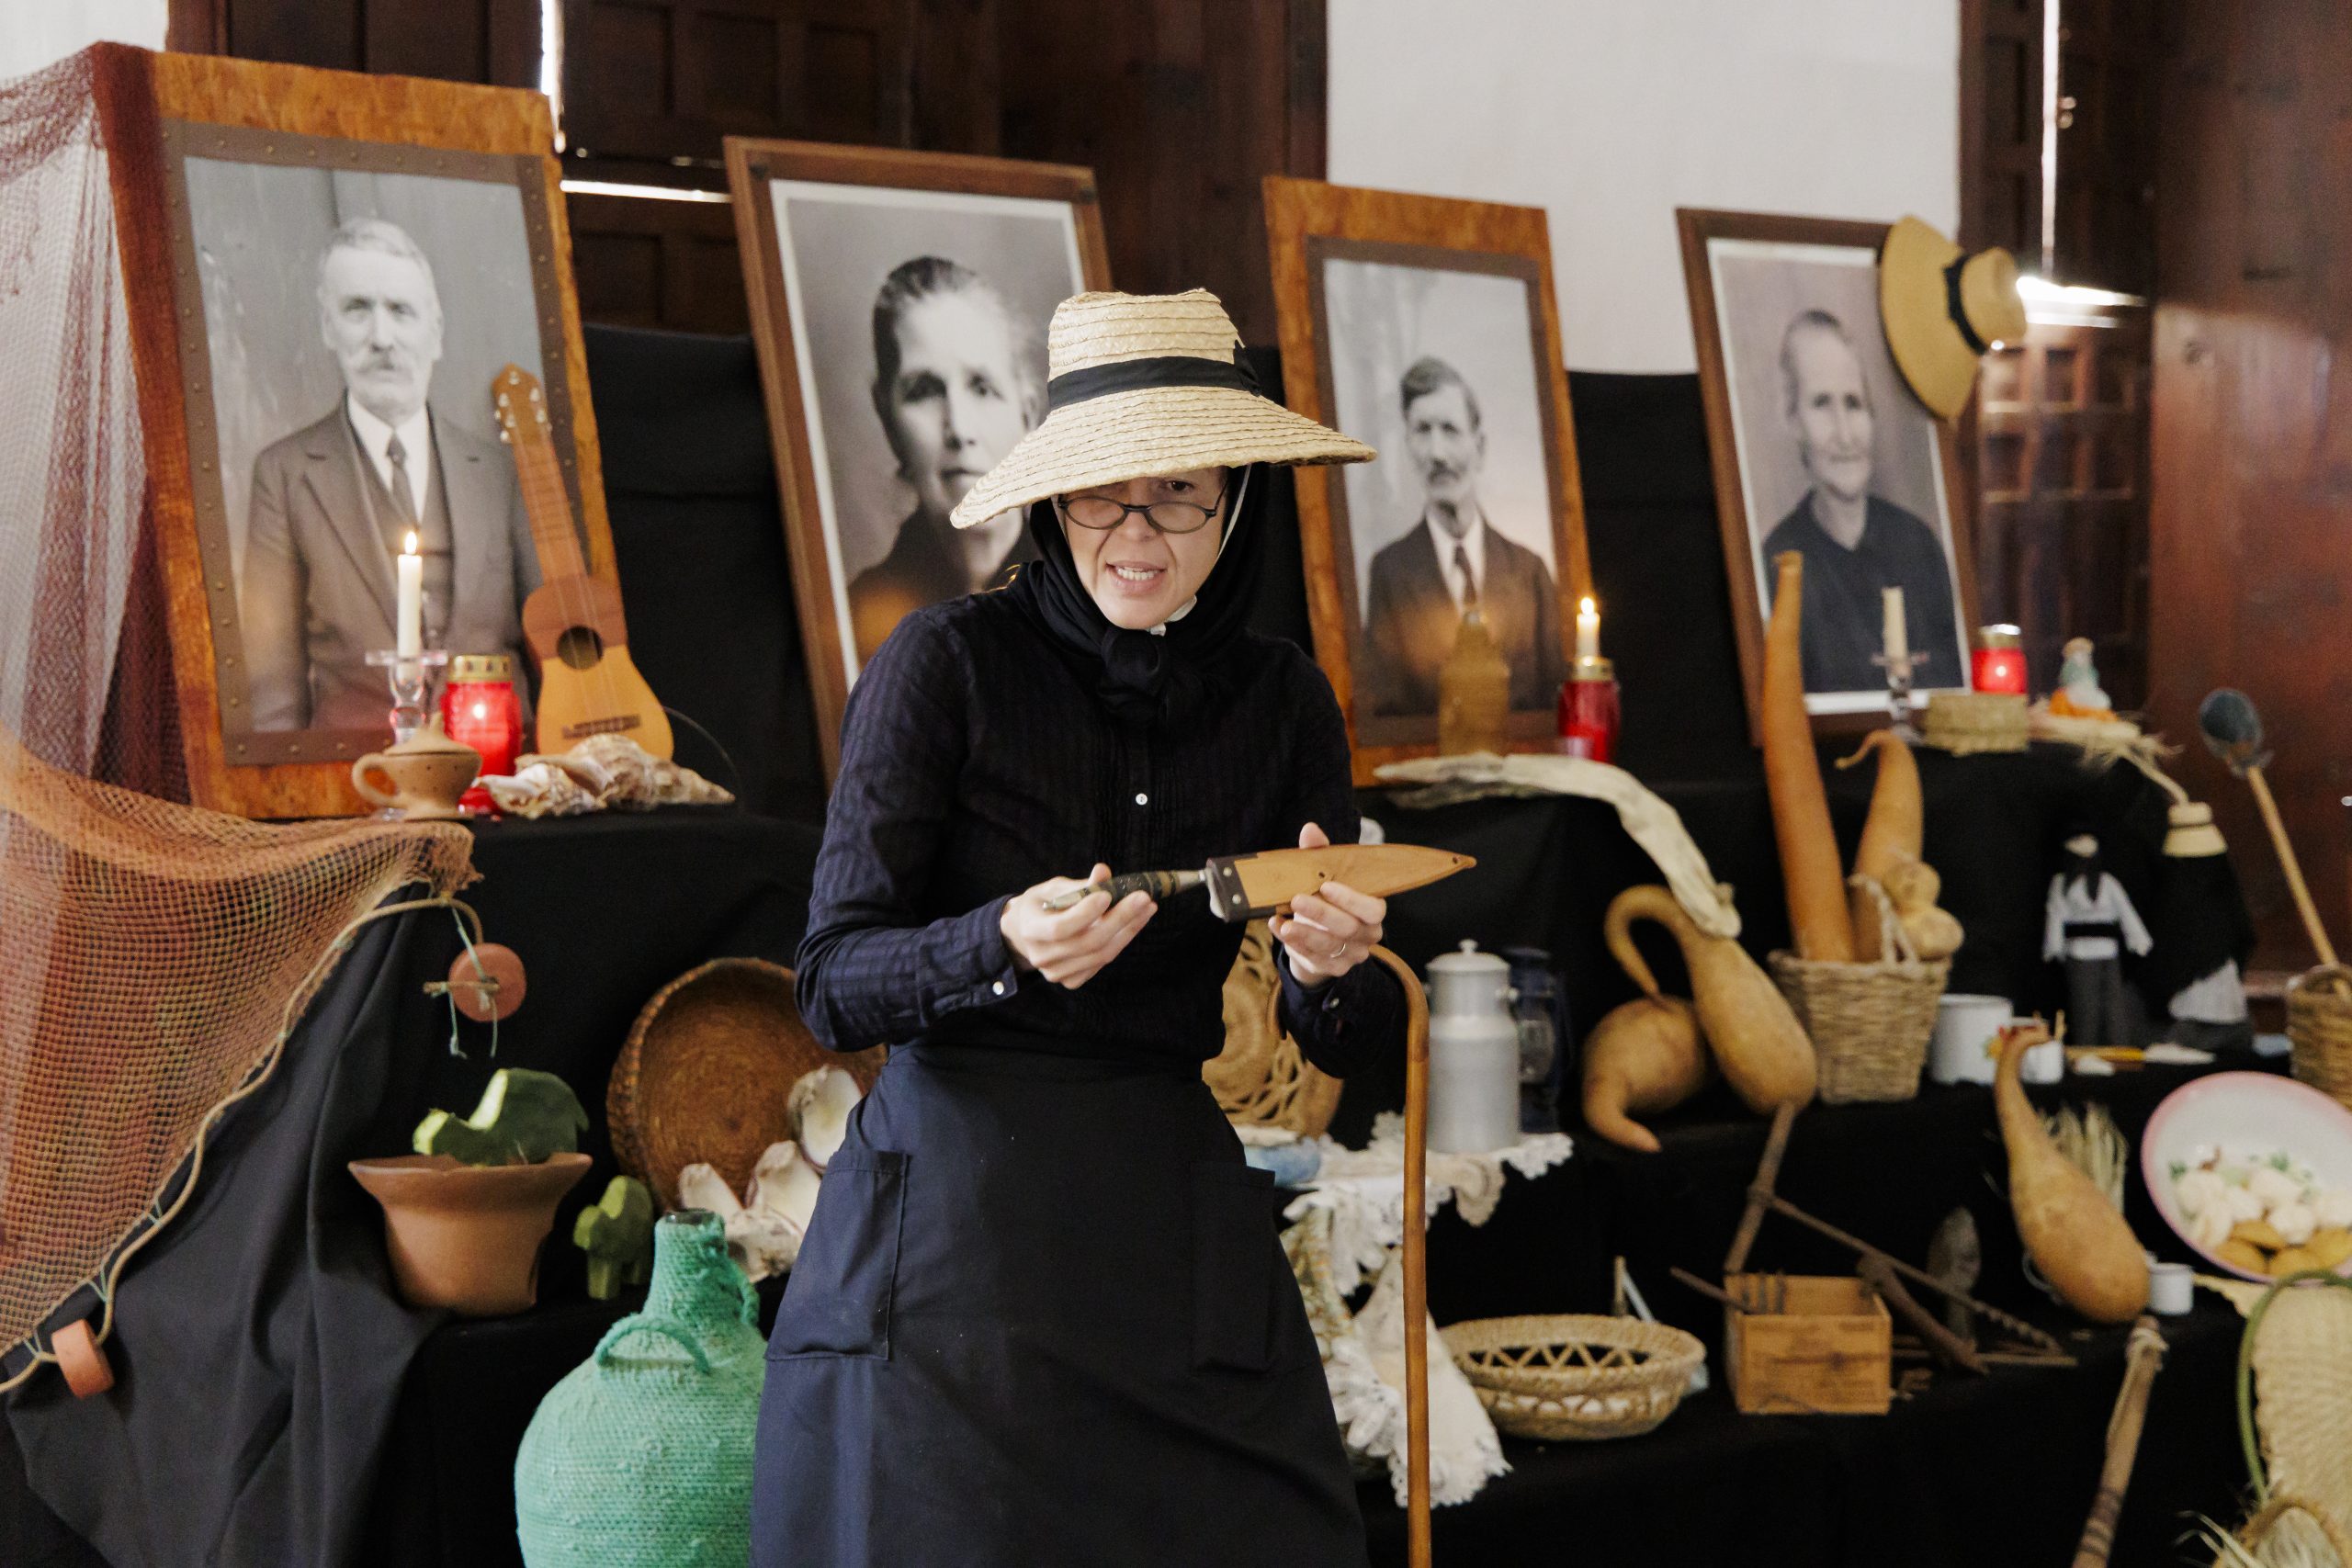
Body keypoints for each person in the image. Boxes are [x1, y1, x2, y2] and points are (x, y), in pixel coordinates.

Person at [758, 288, 1393, 1567]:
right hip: (956, 1238)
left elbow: (1347, 1036)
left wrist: (1330, 968)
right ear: (1054, 499)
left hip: (1170, 1225)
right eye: (1105, 494)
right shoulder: (943, 662)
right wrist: (994, 941)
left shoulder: (1282, 699)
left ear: (1236, 499)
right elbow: (830, 982)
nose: (1137, 533)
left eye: (1179, 494)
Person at [241, 217, 537, 732]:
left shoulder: (500, 473)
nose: (382, 338)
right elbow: (273, 689)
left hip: (499, 760)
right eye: (358, 309)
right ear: (328, 328)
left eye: (401, 310)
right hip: (353, 768)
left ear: (435, 332)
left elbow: (555, 650)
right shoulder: (284, 474)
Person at [845, 256, 1043, 665]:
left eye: (982, 388)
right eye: (924, 391)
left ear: (1026, 414)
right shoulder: (852, 618)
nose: (960, 428)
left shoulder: (1094, 598)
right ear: (887, 418)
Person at [1759, 310, 1960, 694]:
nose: (1845, 435)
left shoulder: (1918, 545)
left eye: (1853, 404)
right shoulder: (1779, 563)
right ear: (1793, 420)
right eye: (1821, 404)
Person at [1361, 356, 1564, 715]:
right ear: (1408, 445)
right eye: (1423, 430)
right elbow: (1385, 712)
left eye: (1450, 430)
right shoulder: (1390, 573)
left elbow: (1555, 700)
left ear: (1479, 446)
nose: (1437, 453)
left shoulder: (1530, 570)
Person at [2043, 831, 2152, 1047]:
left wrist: (2053, 950)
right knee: (2111, 1006)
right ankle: (2112, 1049)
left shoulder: (2063, 884)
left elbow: (2055, 917)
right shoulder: (2106, 883)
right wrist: (2140, 942)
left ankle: (2093, 1051)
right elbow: (2126, 913)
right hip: (2103, 953)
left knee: (2087, 1008)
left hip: (2081, 955)